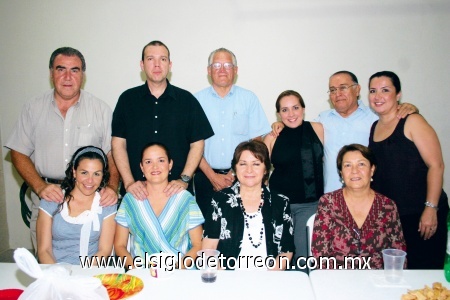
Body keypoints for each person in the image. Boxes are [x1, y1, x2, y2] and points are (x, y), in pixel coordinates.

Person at [5, 47, 119, 250]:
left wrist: (111, 187)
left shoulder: (100, 109)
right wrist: (40, 187)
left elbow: (113, 154)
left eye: (74, 70)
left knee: (92, 264)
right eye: (61, 69)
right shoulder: (33, 108)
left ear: (83, 75)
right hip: (48, 198)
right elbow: (18, 152)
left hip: (90, 202)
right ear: (51, 73)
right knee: (47, 264)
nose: (68, 77)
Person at [271, 71, 417, 193]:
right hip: (331, 198)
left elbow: (397, 118)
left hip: (366, 196)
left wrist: (410, 108)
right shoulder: (322, 120)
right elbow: (296, 125)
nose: (338, 94)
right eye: (333, 90)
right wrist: (279, 123)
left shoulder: (375, 117)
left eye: (343, 88)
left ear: (357, 89)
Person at [112, 40, 214, 200]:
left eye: (163, 59)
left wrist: (184, 179)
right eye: (151, 59)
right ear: (142, 64)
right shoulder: (127, 100)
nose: (157, 65)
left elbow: (197, 144)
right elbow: (118, 144)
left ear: (170, 64)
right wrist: (129, 182)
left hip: (177, 194)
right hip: (137, 193)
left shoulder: (187, 100)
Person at [368, 71, 449, 269]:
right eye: (373, 91)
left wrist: (431, 208)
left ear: (398, 95)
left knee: (425, 272)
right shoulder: (374, 126)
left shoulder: (412, 121)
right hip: (394, 217)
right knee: (399, 274)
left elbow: (436, 165)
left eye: (385, 90)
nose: (378, 96)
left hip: (421, 213)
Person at [194, 47, 271, 216]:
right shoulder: (196, 101)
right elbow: (192, 144)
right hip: (205, 177)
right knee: (208, 233)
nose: (222, 70)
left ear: (235, 70)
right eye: (217, 65)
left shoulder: (249, 99)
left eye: (228, 65)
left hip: (243, 176)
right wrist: (212, 175)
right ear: (209, 70)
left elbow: (257, 142)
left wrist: (234, 172)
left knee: (241, 231)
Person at [202, 140, 294, 270]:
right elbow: (208, 248)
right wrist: (224, 279)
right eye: (243, 164)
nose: (249, 170)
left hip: (270, 277)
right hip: (227, 277)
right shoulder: (220, 200)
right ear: (235, 168)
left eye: (256, 164)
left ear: (266, 169)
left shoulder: (281, 202)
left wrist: (271, 277)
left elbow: (286, 250)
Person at [312, 144, 406, 269]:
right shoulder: (328, 202)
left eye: (361, 164)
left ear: (372, 169)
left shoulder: (387, 206)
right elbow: (320, 253)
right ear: (341, 173)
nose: (354, 170)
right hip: (337, 279)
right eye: (347, 165)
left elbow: (397, 252)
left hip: (377, 280)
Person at [114, 143, 204, 270]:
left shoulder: (185, 199)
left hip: (180, 273)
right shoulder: (130, 200)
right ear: (141, 167)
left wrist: (178, 269)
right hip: (142, 273)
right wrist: (135, 270)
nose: (155, 166)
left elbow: (198, 244)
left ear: (170, 164)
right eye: (148, 162)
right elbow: (119, 245)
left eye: (161, 160)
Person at [263, 90, 323, 270]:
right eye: (285, 110)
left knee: (303, 258)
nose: (291, 114)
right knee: (278, 257)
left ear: (303, 109)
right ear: (278, 114)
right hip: (279, 206)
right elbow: (263, 175)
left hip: (309, 205)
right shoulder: (272, 138)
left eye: (295, 108)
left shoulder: (317, 129)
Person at [37, 146, 117, 265]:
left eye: (96, 174)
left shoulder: (106, 204)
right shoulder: (52, 200)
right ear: (74, 172)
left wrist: (82, 275)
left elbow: (104, 251)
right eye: (84, 173)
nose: (90, 180)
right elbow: (44, 250)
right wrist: (58, 275)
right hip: (54, 271)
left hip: (89, 272)